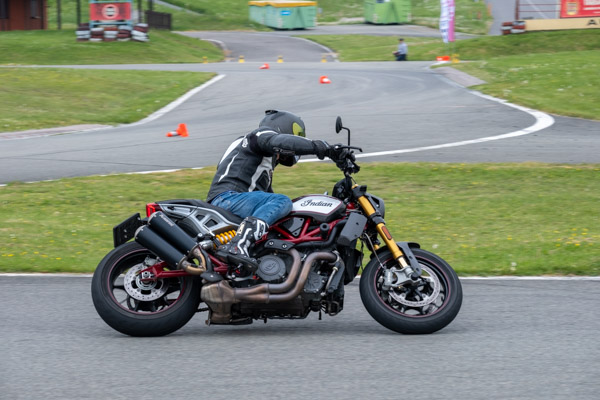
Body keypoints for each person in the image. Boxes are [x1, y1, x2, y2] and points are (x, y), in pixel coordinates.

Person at [206, 109, 346, 267]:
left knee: (284, 214)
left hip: (232, 200)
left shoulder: (254, 157)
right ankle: (239, 244)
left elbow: (267, 200)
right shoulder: (259, 135)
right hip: (228, 198)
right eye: (296, 134)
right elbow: (277, 142)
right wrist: (321, 147)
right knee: (281, 201)